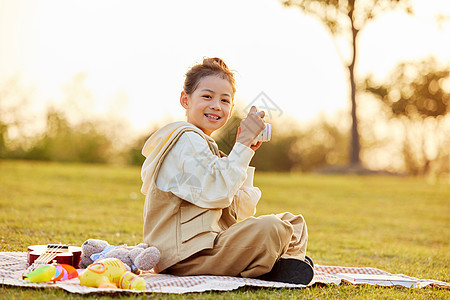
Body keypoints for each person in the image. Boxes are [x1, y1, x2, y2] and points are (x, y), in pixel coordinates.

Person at [140, 57, 314, 285]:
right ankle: (274, 265)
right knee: (273, 228)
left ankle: (280, 265)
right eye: (207, 96)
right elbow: (218, 192)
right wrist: (240, 148)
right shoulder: (185, 140)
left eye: (224, 100)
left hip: (213, 245)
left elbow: (240, 212)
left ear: (230, 110)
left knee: (293, 223)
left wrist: (244, 150)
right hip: (186, 256)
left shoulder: (207, 147)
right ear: (185, 100)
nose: (215, 105)